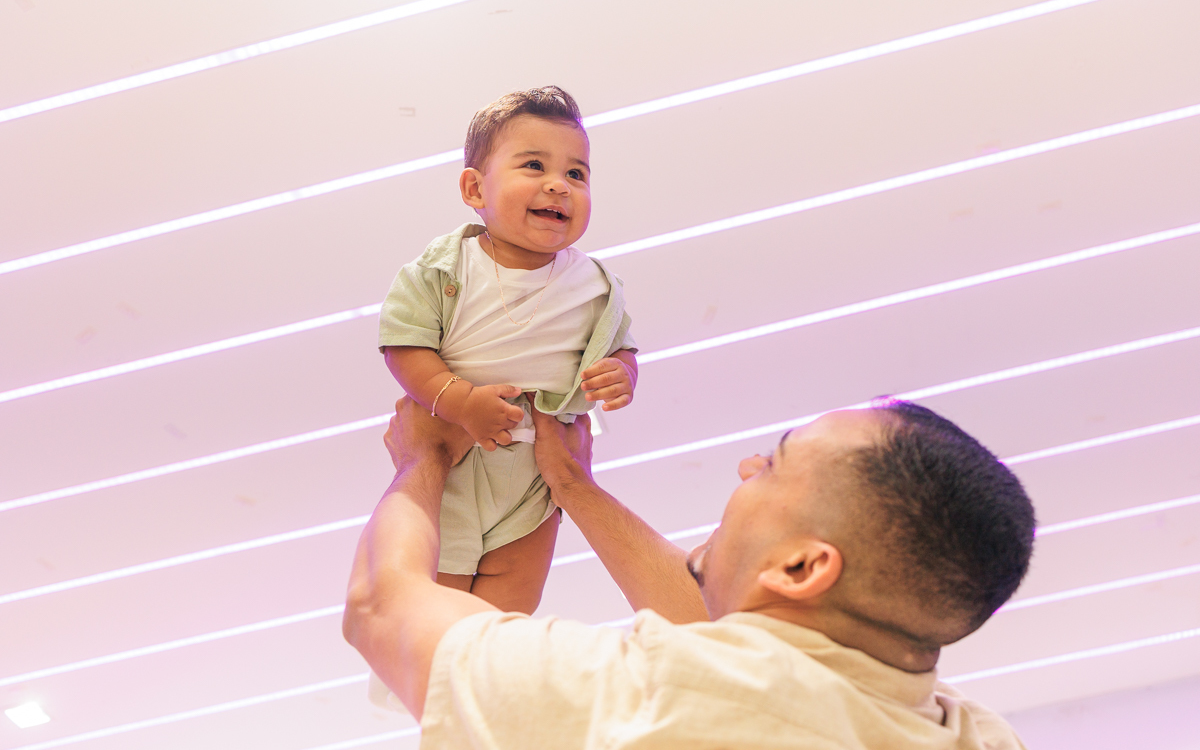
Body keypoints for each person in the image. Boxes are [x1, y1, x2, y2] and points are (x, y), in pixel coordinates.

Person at [343, 395, 1036, 748]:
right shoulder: (976, 736)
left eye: (773, 465)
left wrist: (423, 458)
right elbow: (752, 653)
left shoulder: (648, 700)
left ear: (801, 566)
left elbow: (382, 606)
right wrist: (574, 487)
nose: (747, 465)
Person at [376, 85, 638, 614]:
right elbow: (404, 343)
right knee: (437, 603)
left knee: (510, 606)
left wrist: (622, 374)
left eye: (576, 173)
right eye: (534, 165)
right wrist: (459, 401)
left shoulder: (593, 286)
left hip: (536, 472)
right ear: (475, 188)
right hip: (454, 456)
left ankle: (496, 659)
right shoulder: (445, 269)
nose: (558, 185)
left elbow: (622, 348)